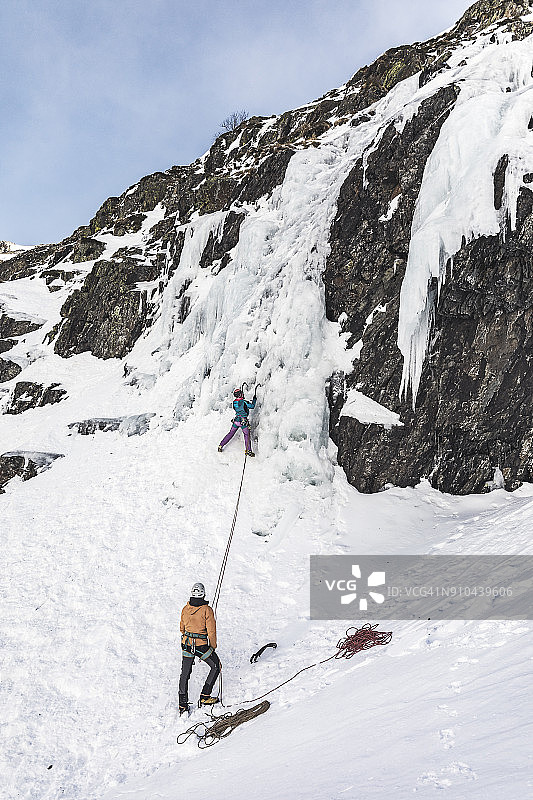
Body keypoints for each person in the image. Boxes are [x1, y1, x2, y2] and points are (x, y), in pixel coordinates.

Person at [179, 582, 221, 714]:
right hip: (201, 646)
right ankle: (205, 696)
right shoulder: (206, 610)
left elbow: (182, 628)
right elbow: (211, 632)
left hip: (186, 644)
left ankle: (182, 704)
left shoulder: (185, 608)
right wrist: (212, 646)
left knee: (185, 673)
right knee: (216, 666)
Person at [218, 387, 257, 456]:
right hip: (243, 422)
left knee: (230, 433)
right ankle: (248, 451)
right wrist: (254, 399)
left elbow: (239, 407)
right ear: (240, 394)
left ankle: (221, 445)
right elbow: (252, 406)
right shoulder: (244, 402)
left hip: (236, 421)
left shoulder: (234, 402)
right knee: (246, 435)